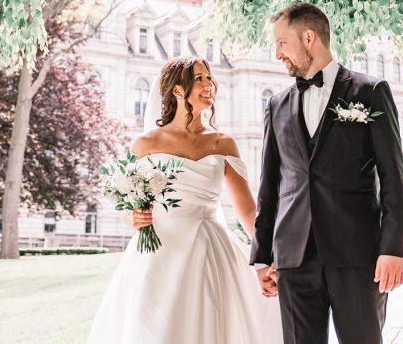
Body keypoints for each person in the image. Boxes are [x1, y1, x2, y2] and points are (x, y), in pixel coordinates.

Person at [86, 56, 282, 343]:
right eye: (199, 79)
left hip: (211, 247)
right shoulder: (146, 143)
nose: (209, 86)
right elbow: (126, 204)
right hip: (159, 253)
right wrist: (133, 217)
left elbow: (248, 209)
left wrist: (264, 258)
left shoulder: (223, 143)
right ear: (177, 90)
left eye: (209, 78)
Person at [252, 2, 403, 344]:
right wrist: (262, 255)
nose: (276, 52)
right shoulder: (276, 105)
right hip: (293, 257)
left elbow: (394, 177)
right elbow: (270, 185)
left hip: (357, 253)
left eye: (281, 42)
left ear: (309, 38)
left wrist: (393, 248)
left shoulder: (370, 92)